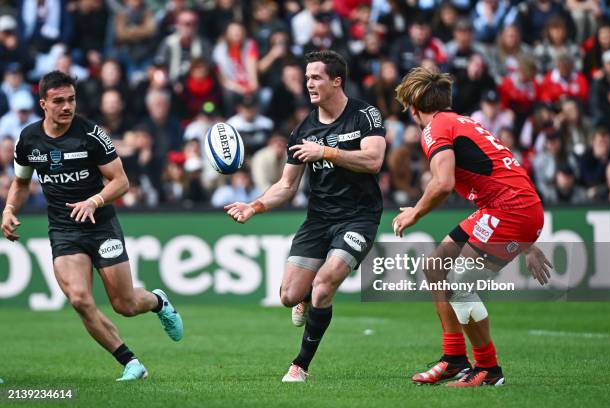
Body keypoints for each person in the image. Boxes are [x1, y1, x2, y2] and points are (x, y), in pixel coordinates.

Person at [0, 71, 183, 381]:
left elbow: (121, 182)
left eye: (71, 99)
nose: (67, 106)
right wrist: (8, 209)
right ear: (43, 103)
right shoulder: (28, 139)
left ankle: (158, 301)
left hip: (101, 227)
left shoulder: (91, 135)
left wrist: (94, 201)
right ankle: (131, 363)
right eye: (59, 101)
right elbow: (20, 182)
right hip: (64, 231)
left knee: (124, 304)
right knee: (80, 300)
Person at [224, 50, 387, 382]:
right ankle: (305, 301)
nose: (308, 83)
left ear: (336, 81)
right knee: (289, 296)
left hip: (358, 217)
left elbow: (373, 161)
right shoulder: (304, 129)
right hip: (319, 220)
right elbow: (286, 186)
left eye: (316, 77)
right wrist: (253, 206)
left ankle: (299, 365)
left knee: (324, 286)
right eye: (307, 77)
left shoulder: (365, 115)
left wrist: (325, 151)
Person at [393, 67, 551, 387]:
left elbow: (443, 183)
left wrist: (415, 214)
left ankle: (488, 370)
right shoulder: (462, 121)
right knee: (436, 267)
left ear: (413, 108)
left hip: (510, 210)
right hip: (507, 208)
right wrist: (528, 243)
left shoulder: (435, 128)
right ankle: (453, 359)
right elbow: (499, 177)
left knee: (460, 282)